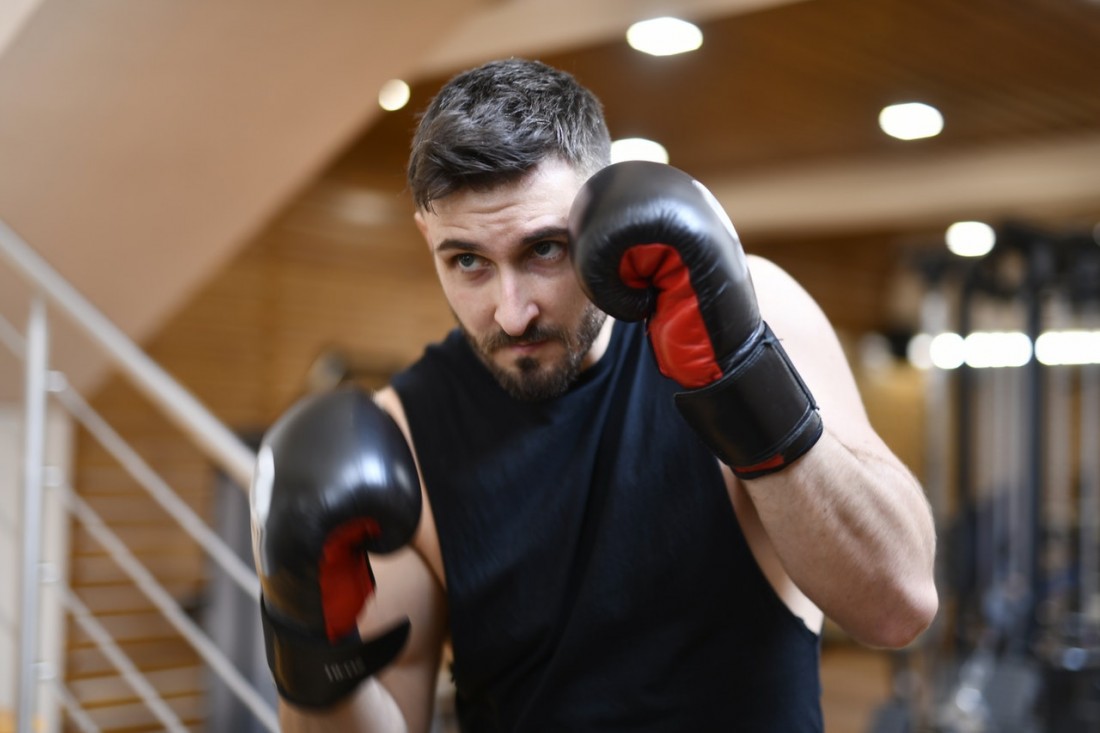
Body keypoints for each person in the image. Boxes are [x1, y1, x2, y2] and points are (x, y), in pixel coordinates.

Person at [249, 58, 939, 732]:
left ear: (601, 211)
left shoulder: (755, 314)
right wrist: (308, 633)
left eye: (544, 250)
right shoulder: (405, 435)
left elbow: (897, 605)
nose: (511, 311)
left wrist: (742, 379)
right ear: (427, 237)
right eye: (468, 261)